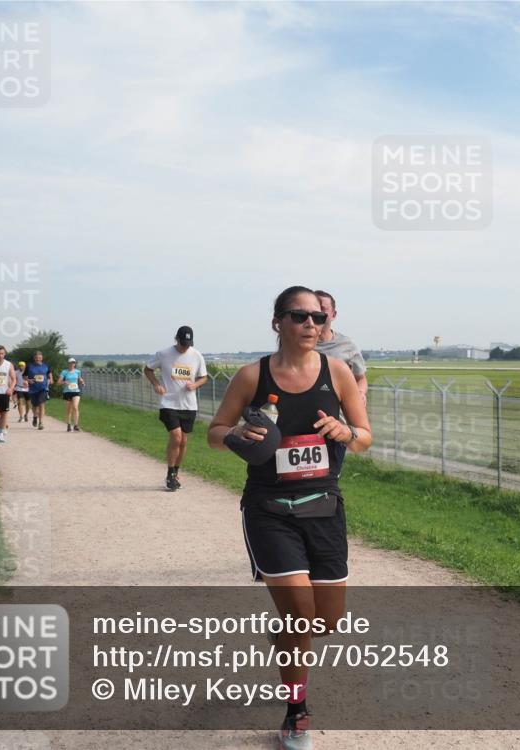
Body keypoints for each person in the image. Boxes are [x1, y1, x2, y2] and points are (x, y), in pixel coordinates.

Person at [207, 286, 372, 750]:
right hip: (269, 509)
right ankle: (296, 711)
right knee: (302, 614)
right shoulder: (251, 376)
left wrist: (347, 431)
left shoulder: (337, 372)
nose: (311, 325)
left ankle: (281, 635)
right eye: (299, 316)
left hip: (323, 505)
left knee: (326, 622)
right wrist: (238, 432)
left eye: (318, 318)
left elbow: (364, 437)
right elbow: (215, 435)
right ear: (277, 321)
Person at [144, 326, 208, 491]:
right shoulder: (164, 354)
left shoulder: (196, 355)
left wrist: (195, 384)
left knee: (183, 440)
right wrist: (156, 384)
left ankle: (176, 472)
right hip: (169, 403)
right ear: (176, 339)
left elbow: (204, 377)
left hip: (188, 404)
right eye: (182, 343)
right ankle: (170, 474)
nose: (184, 347)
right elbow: (148, 369)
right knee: (176, 436)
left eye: (188, 344)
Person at [314, 290, 368, 403]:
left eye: (322, 309)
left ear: (334, 315)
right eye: (314, 308)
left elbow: (361, 378)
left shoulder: (347, 345)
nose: (317, 312)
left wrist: (360, 393)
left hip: (339, 417)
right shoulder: (297, 344)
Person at [24, 351, 51, 430]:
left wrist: (49, 381)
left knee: (41, 403)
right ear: (34, 358)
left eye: (39, 358)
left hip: (43, 388)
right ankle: (35, 417)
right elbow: (24, 376)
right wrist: (29, 380)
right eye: (36, 358)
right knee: (34, 405)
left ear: (42, 358)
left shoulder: (46, 366)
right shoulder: (29, 366)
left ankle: (41, 422)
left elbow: (49, 376)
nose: (38, 359)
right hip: (33, 389)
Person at [57, 357, 85, 432]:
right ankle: (69, 424)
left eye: (73, 363)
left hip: (76, 391)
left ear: (75, 364)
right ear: (68, 364)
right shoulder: (64, 372)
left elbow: (79, 379)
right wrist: (64, 382)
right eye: (71, 363)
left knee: (75, 407)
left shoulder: (78, 371)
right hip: (67, 392)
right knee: (68, 410)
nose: (72, 364)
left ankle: (76, 425)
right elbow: (58, 382)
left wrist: (82, 381)